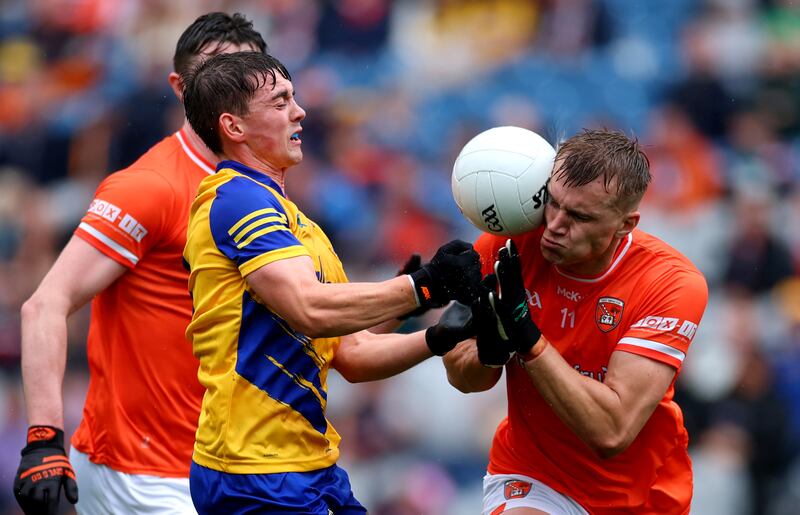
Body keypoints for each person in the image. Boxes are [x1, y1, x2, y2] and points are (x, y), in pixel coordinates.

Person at [180, 51, 481, 514]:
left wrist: (440, 335)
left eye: (294, 98)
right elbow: (309, 308)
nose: (299, 111)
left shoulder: (300, 225)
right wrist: (422, 287)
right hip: (252, 470)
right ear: (233, 127)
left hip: (307, 466)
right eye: (279, 102)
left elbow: (353, 354)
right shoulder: (237, 199)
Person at [13, 13, 269, 515]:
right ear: (179, 87)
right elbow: (43, 305)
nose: (228, 86)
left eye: (245, 71)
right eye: (214, 71)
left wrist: (414, 295)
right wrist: (44, 438)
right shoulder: (150, 186)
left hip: (228, 466)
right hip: (143, 475)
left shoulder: (265, 185)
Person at [443, 129, 709, 514]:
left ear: (625, 224)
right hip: (533, 475)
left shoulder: (671, 283)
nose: (554, 225)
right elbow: (466, 380)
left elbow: (611, 430)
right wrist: (490, 349)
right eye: (553, 202)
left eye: (580, 216)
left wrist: (528, 339)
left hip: (644, 495)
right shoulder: (508, 243)